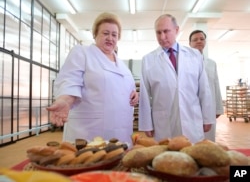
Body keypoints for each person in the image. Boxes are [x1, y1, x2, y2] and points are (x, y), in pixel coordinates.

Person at [46, 12, 138, 146]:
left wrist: (134, 93)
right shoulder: (82, 53)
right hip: (90, 129)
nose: (110, 38)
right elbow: (70, 80)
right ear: (95, 34)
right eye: (105, 33)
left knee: (117, 160)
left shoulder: (122, 64)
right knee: (89, 161)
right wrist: (65, 100)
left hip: (120, 129)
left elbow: (124, 86)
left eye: (114, 35)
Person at [138, 14, 215, 144]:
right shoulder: (148, 60)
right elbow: (144, 95)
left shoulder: (194, 55)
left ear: (176, 30)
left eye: (166, 31)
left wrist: (207, 118)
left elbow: (204, 89)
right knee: (167, 159)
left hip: (192, 118)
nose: (162, 37)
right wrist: (146, 124)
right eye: (158, 32)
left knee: (192, 158)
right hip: (164, 122)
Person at [189, 30, 224, 141]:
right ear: (190, 43)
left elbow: (216, 84)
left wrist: (218, 108)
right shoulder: (184, 63)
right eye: (195, 39)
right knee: (192, 138)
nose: (199, 41)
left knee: (208, 139)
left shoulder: (211, 63)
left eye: (202, 39)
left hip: (209, 106)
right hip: (191, 106)